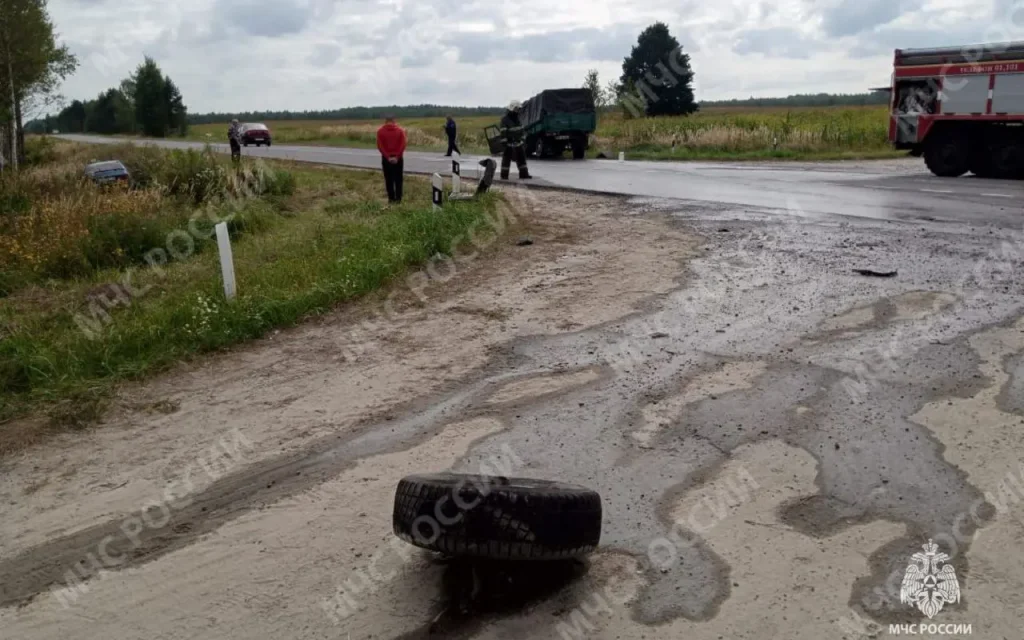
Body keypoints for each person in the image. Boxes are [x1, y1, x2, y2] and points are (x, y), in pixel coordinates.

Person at [376, 115, 407, 203]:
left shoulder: (380, 131)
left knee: (388, 179)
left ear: (385, 121)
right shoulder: (400, 131)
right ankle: (398, 199)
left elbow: (380, 146)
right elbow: (403, 145)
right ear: (394, 121)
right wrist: (397, 156)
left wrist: (387, 157)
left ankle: (391, 198)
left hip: (386, 158)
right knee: (398, 179)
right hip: (398, 158)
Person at [499, 101, 531, 180]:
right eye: (516, 109)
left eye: (518, 109)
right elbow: (503, 132)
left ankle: (524, 174)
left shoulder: (517, 119)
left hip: (518, 143)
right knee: (506, 161)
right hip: (509, 144)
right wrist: (505, 143)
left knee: (522, 159)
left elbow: (522, 130)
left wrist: (522, 139)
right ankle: (504, 176)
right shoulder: (505, 120)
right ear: (512, 108)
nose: (518, 111)